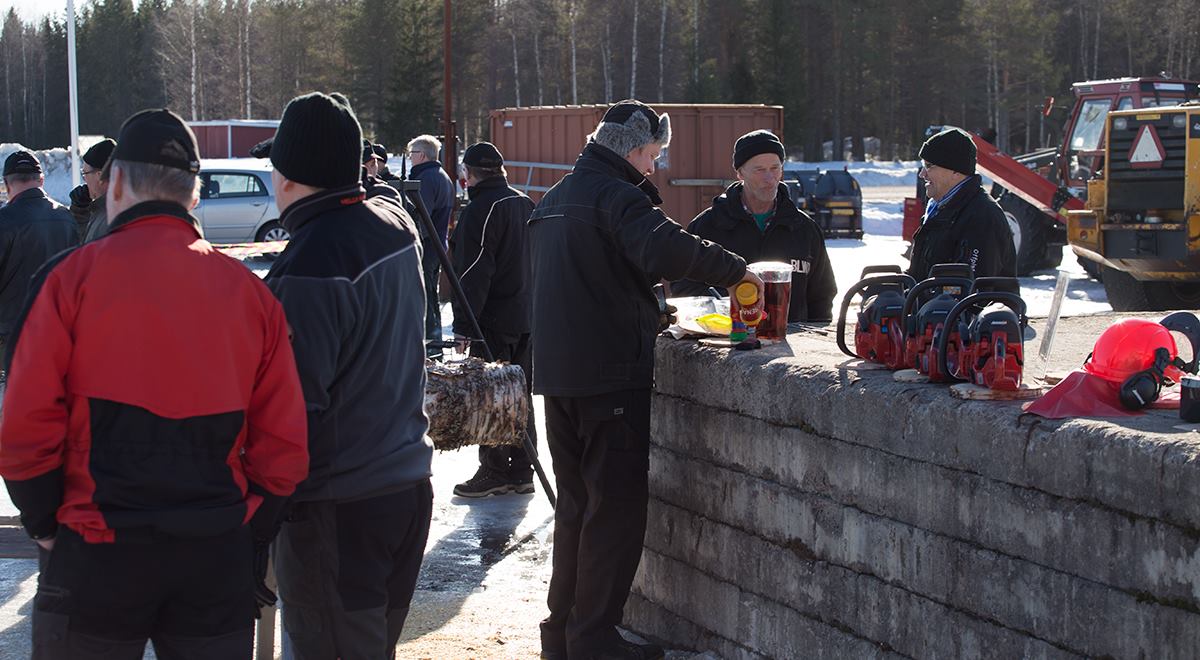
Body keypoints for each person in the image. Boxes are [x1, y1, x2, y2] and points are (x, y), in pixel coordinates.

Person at [0, 108, 309, 659]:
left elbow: (24, 427)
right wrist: (249, 530)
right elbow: (283, 446)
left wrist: (44, 521)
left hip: (95, 552)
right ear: (193, 195)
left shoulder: (69, 281)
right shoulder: (249, 294)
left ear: (114, 183)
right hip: (212, 554)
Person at [529, 99, 760, 660]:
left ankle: (562, 635)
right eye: (653, 154)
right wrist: (735, 270)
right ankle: (594, 640)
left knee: (577, 510)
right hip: (609, 377)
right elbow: (664, 245)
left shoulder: (555, 199)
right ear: (632, 149)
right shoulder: (616, 197)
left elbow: (585, 279)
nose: (655, 166)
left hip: (559, 377)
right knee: (613, 514)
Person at [265, 92, 433, 660]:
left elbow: (290, 413)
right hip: (404, 487)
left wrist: (254, 522)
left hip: (340, 508)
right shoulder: (392, 222)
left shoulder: (311, 264)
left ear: (291, 176)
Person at [449, 142, 537, 498]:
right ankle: (522, 469)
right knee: (520, 395)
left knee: (494, 398)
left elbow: (473, 271)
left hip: (495, 318)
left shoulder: (481, 209)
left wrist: (464, 326)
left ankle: (496, 470)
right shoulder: (523, 202)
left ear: (467, 175)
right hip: (526, 315)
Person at [673, 129, 838, 321]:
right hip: (727, 341)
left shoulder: (804, 228)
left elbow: (822, 295)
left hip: (792, 343)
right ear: (740, 173)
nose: (769, 179)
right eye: (759, 170)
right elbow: (684, 289)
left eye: (775, 168)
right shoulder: (708, 227)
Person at [908, 127, 1016, 281]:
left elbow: (975, 290)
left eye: (929, 166)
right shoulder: (939, 209)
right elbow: (920, 274)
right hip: (932, 303)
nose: (922, 174)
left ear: (955, 171)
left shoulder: (982, 216)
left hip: (959, 304)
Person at [0, 150, 79, 353]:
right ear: (42, 180)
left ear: (7, 184)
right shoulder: (66, 217)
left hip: (12, 336)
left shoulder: (4, 220)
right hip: (58, 331)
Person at [407, 134, 456, 357]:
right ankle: (434, 345)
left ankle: (432, 348)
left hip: (426, 245)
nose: (410, 159)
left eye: (412, 154)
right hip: (437, 245)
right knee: (431, 297)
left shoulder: (426, 179)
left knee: (425, 296)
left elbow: (420, 216)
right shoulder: (441, 176)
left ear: (423, 155)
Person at [67, 138, 116, 241]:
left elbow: (86, 249)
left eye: (85, 174)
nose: (84, 180)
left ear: (100, 175)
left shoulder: (109, 215)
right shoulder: (105, 209)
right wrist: (80, 212)